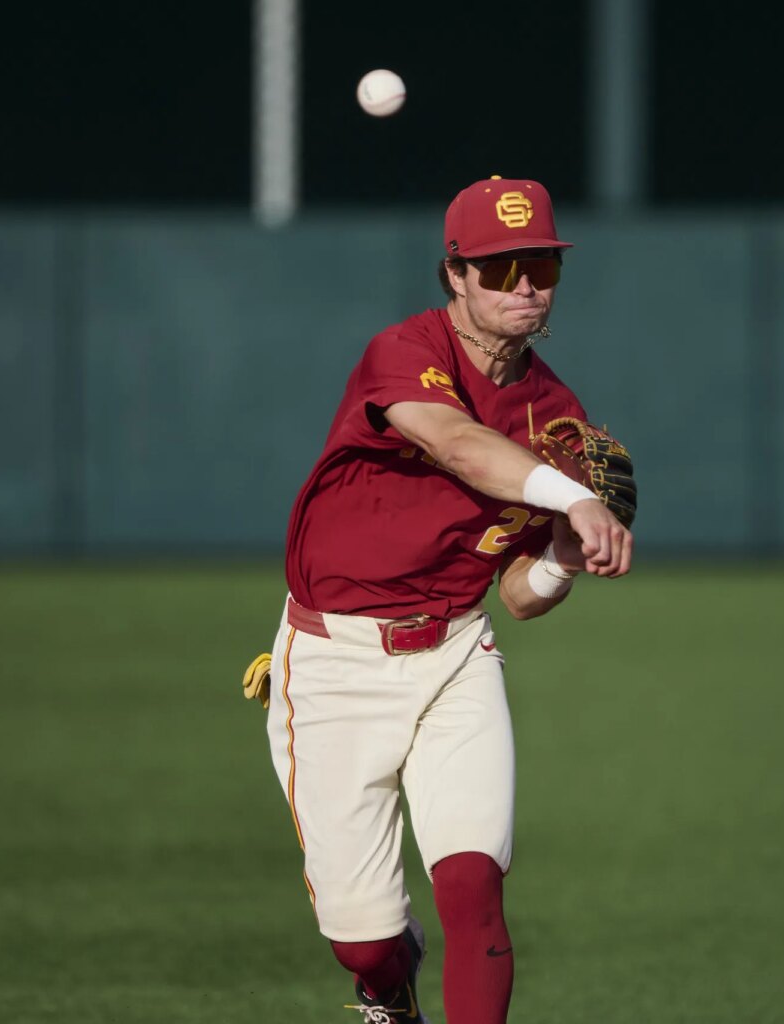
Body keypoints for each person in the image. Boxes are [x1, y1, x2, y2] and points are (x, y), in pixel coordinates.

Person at [253, 175, 632, 1023]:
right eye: (499, 267)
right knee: (366, 941)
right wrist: (569, 496)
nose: (525, 283)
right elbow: (459, 444)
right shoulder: (404, 351)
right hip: (332, 660)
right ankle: (388, 982)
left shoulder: (557, 418)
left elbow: (520, 595)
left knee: (472, 888)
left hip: (457, 655)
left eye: (541, 263)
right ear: (452, 276)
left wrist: (563, 559)